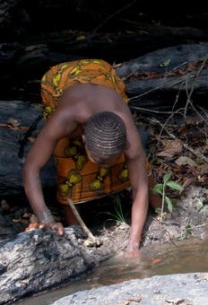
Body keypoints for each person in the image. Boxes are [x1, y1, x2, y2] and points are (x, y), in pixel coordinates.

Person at [22, 59, 152, 258]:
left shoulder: (126, 131)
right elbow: (31, 167)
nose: (104, 167)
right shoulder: (65, 120)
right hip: (59, 79)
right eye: (98, 160)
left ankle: (160, 210)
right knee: (68, 164)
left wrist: (133, 246)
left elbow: (140, 186)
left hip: (101, 73)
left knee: (142, 167)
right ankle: (79, 233)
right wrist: (45, 217)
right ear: (83, 137)